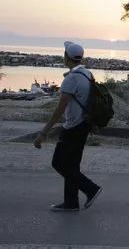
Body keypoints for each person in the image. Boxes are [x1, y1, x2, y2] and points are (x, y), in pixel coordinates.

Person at [33, 41, 102, 211]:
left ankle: (90, 188)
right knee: (72, 165)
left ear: (67, 57)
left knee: (58, 163)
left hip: (72, 127)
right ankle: (71, 202)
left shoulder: (71, 79)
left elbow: (59, 109)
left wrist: (43, 132)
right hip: (85, 125)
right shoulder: (88, 74)